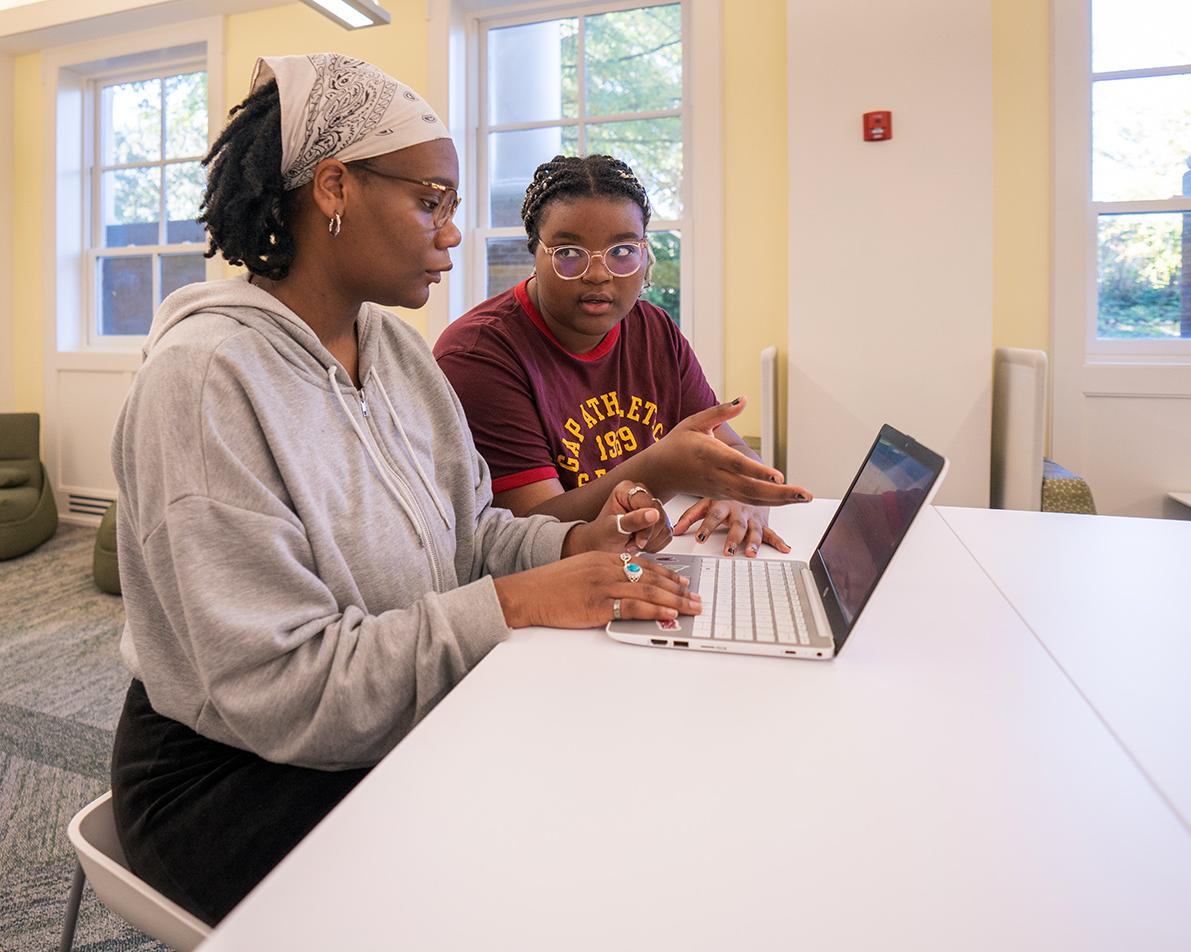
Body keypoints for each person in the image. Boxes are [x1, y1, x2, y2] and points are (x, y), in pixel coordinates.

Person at [109, 55, 700, 926]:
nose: (453, 234)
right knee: (519, 892)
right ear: (335, 188)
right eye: (431, 202)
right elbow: (282, 688)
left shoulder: (394, 352)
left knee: (602, 806)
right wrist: (517, 603)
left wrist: (576, 547)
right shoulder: (206, 383)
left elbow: (471, 534)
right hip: (232, 772)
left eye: (452, 208)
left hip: (387, 708)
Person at [434, 154, 812, 557]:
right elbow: (530, 533)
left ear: (644, 253)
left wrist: (742, 496)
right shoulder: (479, 355)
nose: (598, 273)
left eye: (622, 251)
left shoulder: (654, 330)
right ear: (534, 253)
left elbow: (734, 452)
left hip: (640, 561)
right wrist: (661, 470)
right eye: (568, 253)